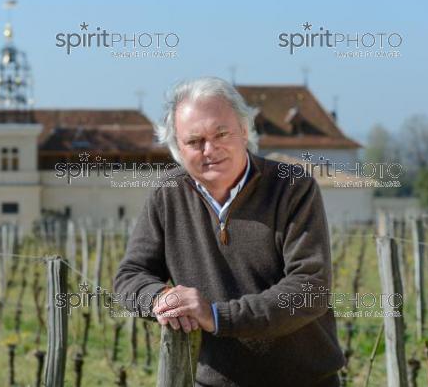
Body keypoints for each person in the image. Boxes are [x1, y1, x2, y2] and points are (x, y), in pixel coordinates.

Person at [113, 76, 345, 386]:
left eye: (221, 133)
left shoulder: (292, 187)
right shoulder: (168, 193)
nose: (210, 149)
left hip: (302, 380)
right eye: (194, 141)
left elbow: (309, 289)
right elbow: (130, 276)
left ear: (245, 130)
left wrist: (217, 316)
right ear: (178, 149)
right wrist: (160, 299)